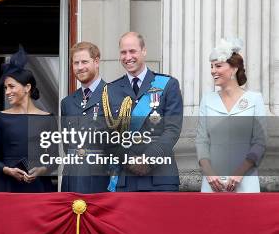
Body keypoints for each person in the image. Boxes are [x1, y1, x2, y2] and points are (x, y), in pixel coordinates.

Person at [103, 32, 183, 192]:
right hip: (126, 177)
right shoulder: (110, 91)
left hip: (161, 176)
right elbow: (107, 135)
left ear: (144, 51)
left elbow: (172, 130)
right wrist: (130, 160)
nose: (128, 57)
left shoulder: (167, 84)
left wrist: (148, 160)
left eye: (132, 51)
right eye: (123, 52)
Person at [195, 38, 266, 193]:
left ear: (234, 69)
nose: (213, 70)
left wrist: (240, 173)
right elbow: (201, 140)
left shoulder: (255, 99)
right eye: (211, 66)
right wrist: (210, 174)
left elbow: (259, 142)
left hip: (245, 182)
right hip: (213, 183)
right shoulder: (207, 99)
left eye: (218, 66)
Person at [0, 47, 56, 193]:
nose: (7, 92)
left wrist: (42, 169)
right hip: (7, 186)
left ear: (27, 87)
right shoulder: (0, 117)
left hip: (39, 187)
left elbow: (55, 159)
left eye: (11, 86)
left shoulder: (47, 118)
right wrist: (8, 170)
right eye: (5, 88)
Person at [60, 42, 109, 193]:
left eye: (84, 62)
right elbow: (68, 145)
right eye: (76, 63)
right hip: (72, 180)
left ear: (96, 62)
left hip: (102, 180)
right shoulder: (67, 103)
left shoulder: (114, 95)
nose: (80, 67)